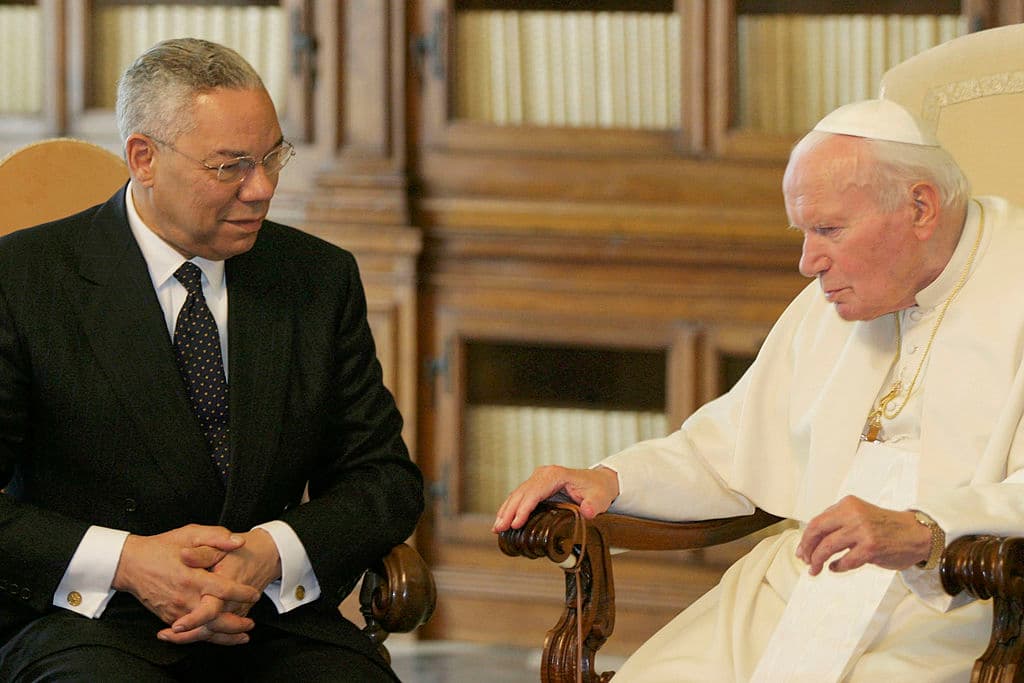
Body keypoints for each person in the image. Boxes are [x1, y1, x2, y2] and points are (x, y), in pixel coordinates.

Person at [494, 98, 1024, 682]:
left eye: (828, 229)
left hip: (957, 607)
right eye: (803, 232)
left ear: (920, 206)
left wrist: (925, 529)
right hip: (798, 587)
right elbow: (727, 447)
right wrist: (610, 481)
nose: (806, 262)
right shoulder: (837, 301)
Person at [0, 38, 423, 681]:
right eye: (231, 167)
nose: (263, 189)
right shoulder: (23, 280)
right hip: (93, 624)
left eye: (273, 157)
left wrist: (267, 553)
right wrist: (128, 562)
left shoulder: (317, 277)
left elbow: (384, 481)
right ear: (144, 157)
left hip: (273, 619)